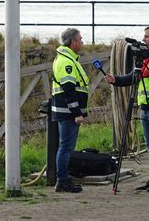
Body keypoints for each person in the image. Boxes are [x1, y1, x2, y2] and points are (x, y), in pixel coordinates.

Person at [105, 25, 149, 193]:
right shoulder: (147, 57)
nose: (144, 39)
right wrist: (116, 80)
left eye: (147, 36)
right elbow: (134, 77)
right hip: (144, 107)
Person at [52, 28, 89, 193]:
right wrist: (77, 113)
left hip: (66, 111)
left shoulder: (69, 59)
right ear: (73, 42)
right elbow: (69, 89)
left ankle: (63, 179)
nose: (82, 42)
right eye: (80, 39)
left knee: (66, 146)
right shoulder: (67, 62)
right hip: (68, 112)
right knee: (66, 147)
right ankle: (62, 181)